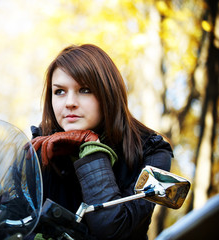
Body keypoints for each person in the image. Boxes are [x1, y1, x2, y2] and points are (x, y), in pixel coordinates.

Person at [30, 44, 172, 240]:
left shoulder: (152, 152)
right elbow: (7, 219)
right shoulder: (39, 147)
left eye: (85, 90)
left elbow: (112, 229)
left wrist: (91, 148)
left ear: (108, 94)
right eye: (60, 91)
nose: (69, 102)